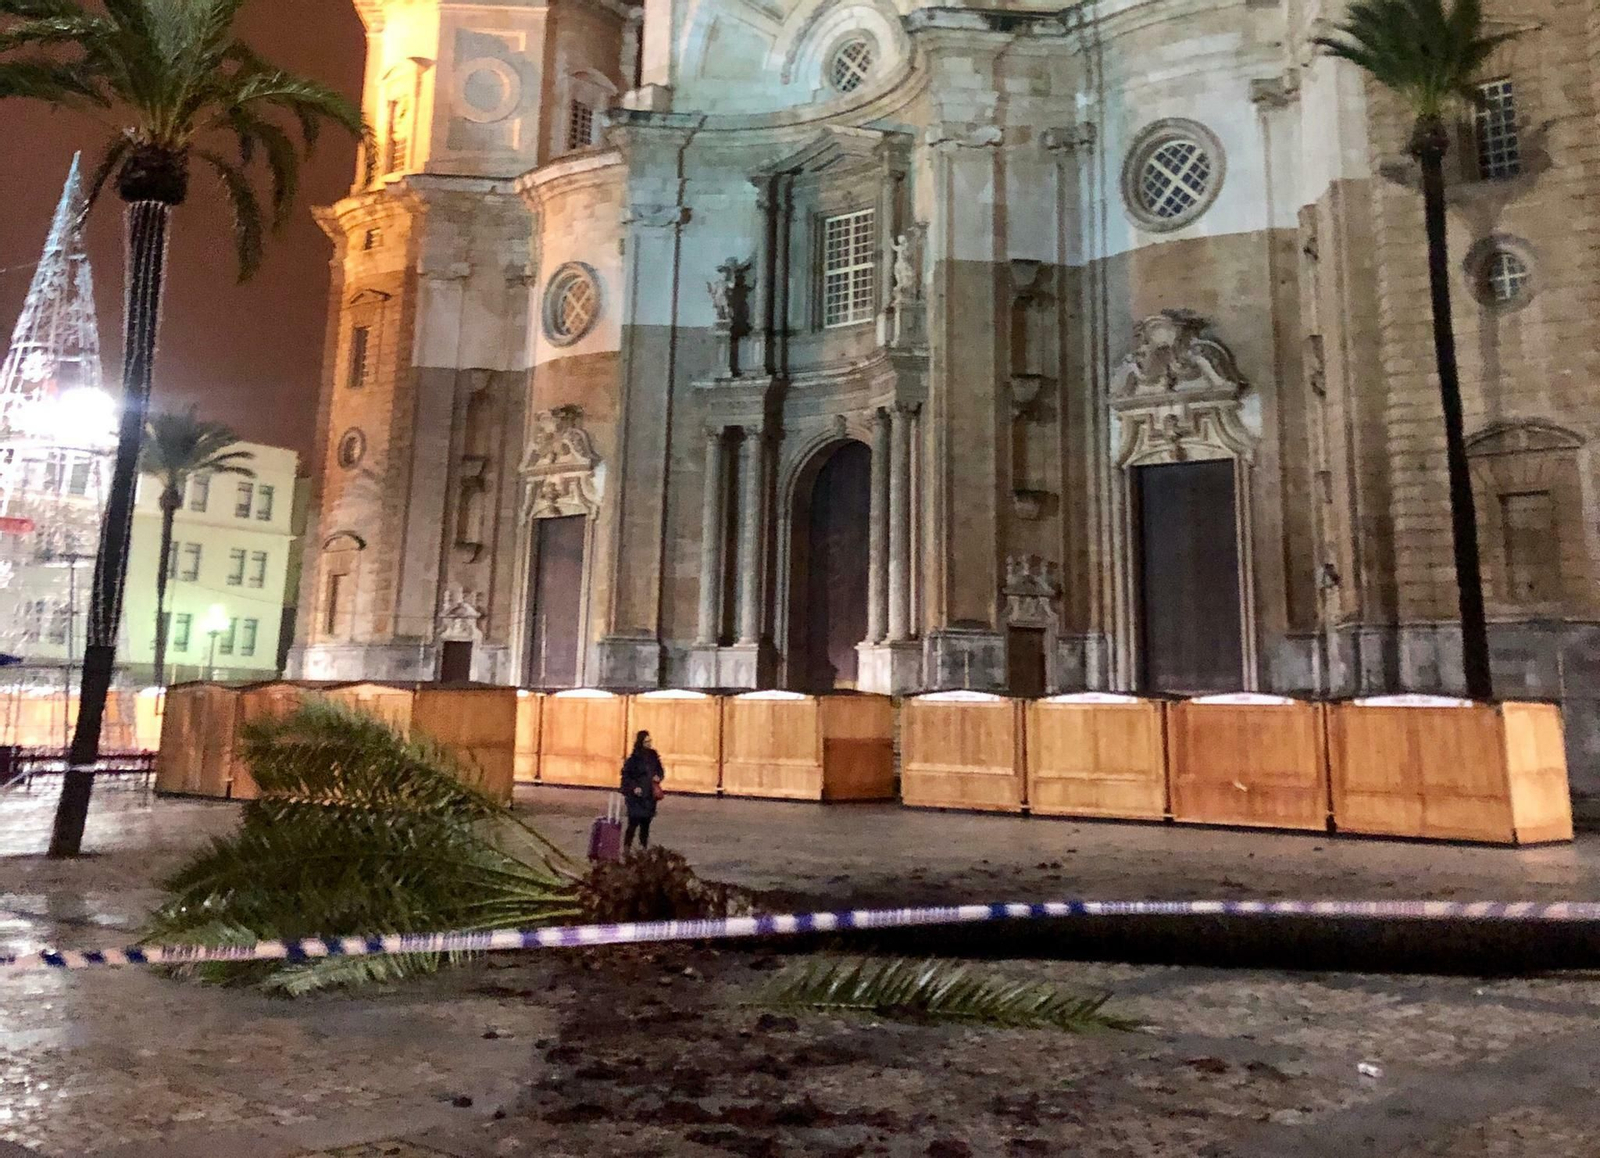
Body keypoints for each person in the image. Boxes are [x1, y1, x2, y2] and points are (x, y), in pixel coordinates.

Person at [619, 730, 664, 851]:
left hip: (649, 796)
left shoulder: (653, 756)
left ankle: (643, 848)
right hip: (636, 797)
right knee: (633, 823)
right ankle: (627, 847)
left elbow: (660, 770)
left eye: (650, 741)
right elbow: (626, 776)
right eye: (646, 742)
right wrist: (634, 787)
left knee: (646, 824)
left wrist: (658, 776)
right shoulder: (633, 759)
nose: (649, 744)